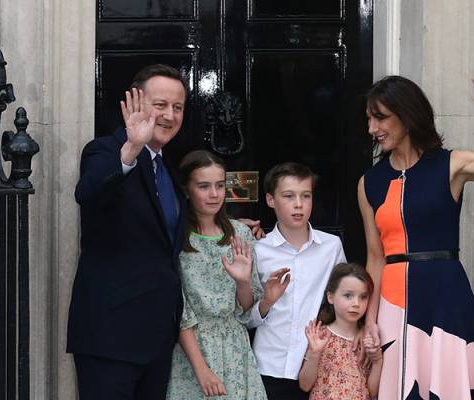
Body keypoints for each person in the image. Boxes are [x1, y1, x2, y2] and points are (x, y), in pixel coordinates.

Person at [67, 64, 262, 400]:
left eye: (178, 107)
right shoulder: (105, 151)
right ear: (136, 103)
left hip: (158, 342)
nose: (170, 115)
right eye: (160, 105)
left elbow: (170, 230)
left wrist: (231, 226)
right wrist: (129, 149)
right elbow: (89, 194)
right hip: (112, 336)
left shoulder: (168, 171)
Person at [358, 72, 474, 400]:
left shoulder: (452, 164)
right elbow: (375, 257)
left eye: (380, 118)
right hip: (393, 303)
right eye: (369, 119)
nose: (372, 129)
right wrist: (370, 320)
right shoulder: (369, 182)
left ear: (407, 116)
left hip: (446, 295)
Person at [166, 150, 267, 399]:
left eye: (220, 185)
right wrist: (201, 370)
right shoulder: (176, 239)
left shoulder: (240, 235)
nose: (214, 194)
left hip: (235, 348)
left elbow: (245, 309)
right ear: (187, 190)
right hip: (192, 350)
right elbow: (179, 311)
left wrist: (243, 281)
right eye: (204, 186)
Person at [248, 162, 347, 400]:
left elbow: (343, 301)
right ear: (271, 200)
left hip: (316, 364)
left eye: (306, 196)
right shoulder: (258, 250)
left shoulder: (331, 247)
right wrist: (267, 302)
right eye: (289, 196)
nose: (299, 204)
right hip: (269, 364)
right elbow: (245, 318)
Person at [298, 262, 382, 400]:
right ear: (330, 297)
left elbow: (372, 392)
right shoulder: (319, 335)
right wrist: (315, 353)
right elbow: (305, 385)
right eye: (348, 296)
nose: (356, 303)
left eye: (363, 297)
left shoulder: (368, 340)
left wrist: (378, 361)